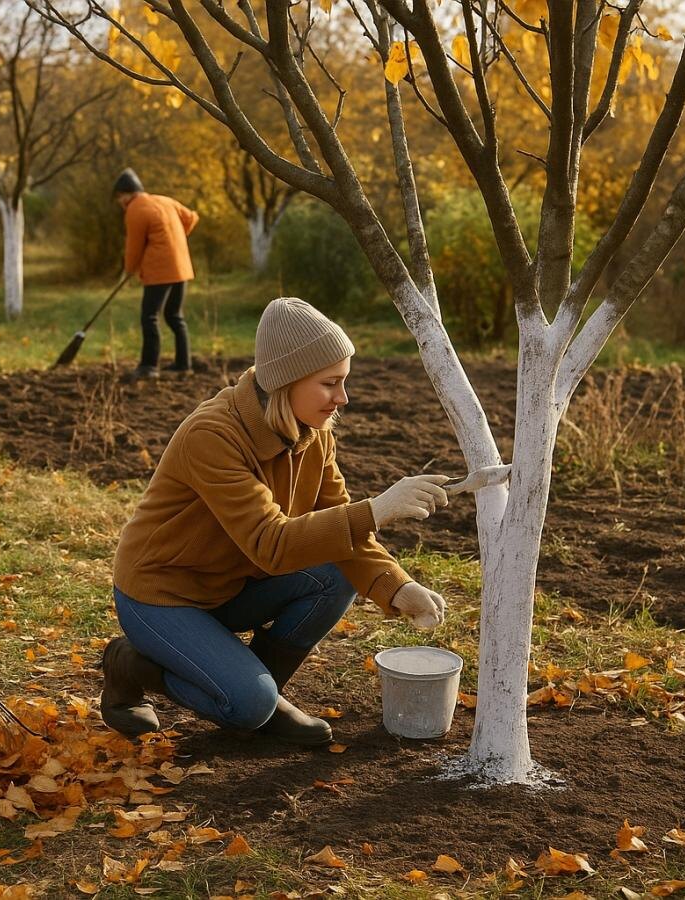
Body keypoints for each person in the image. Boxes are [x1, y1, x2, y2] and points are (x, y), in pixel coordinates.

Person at [102, 297, 450, 745]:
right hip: (162, 595)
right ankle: (135, 664)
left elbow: (341, 531)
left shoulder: (316, 433)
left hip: (230, 584)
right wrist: (378, 508)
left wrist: (396, 586)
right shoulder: (213, 435)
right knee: (247, 706)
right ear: (287, 381)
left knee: (334, 575)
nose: (343, 397)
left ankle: (266, 693)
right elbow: (271, 543)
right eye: (330, 383)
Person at [113, 168, 199, 380]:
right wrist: (175, 238)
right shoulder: (165, 201)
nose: (120, 202)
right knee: (174, 316)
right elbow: (191, 218)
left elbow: (133, 247)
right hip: (181, 266)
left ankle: (149, 366)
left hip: (160, 270)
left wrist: (129, 269)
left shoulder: (135, 210)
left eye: (119, 197)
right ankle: (183, 364)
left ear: (127, 194)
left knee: (149, 316)